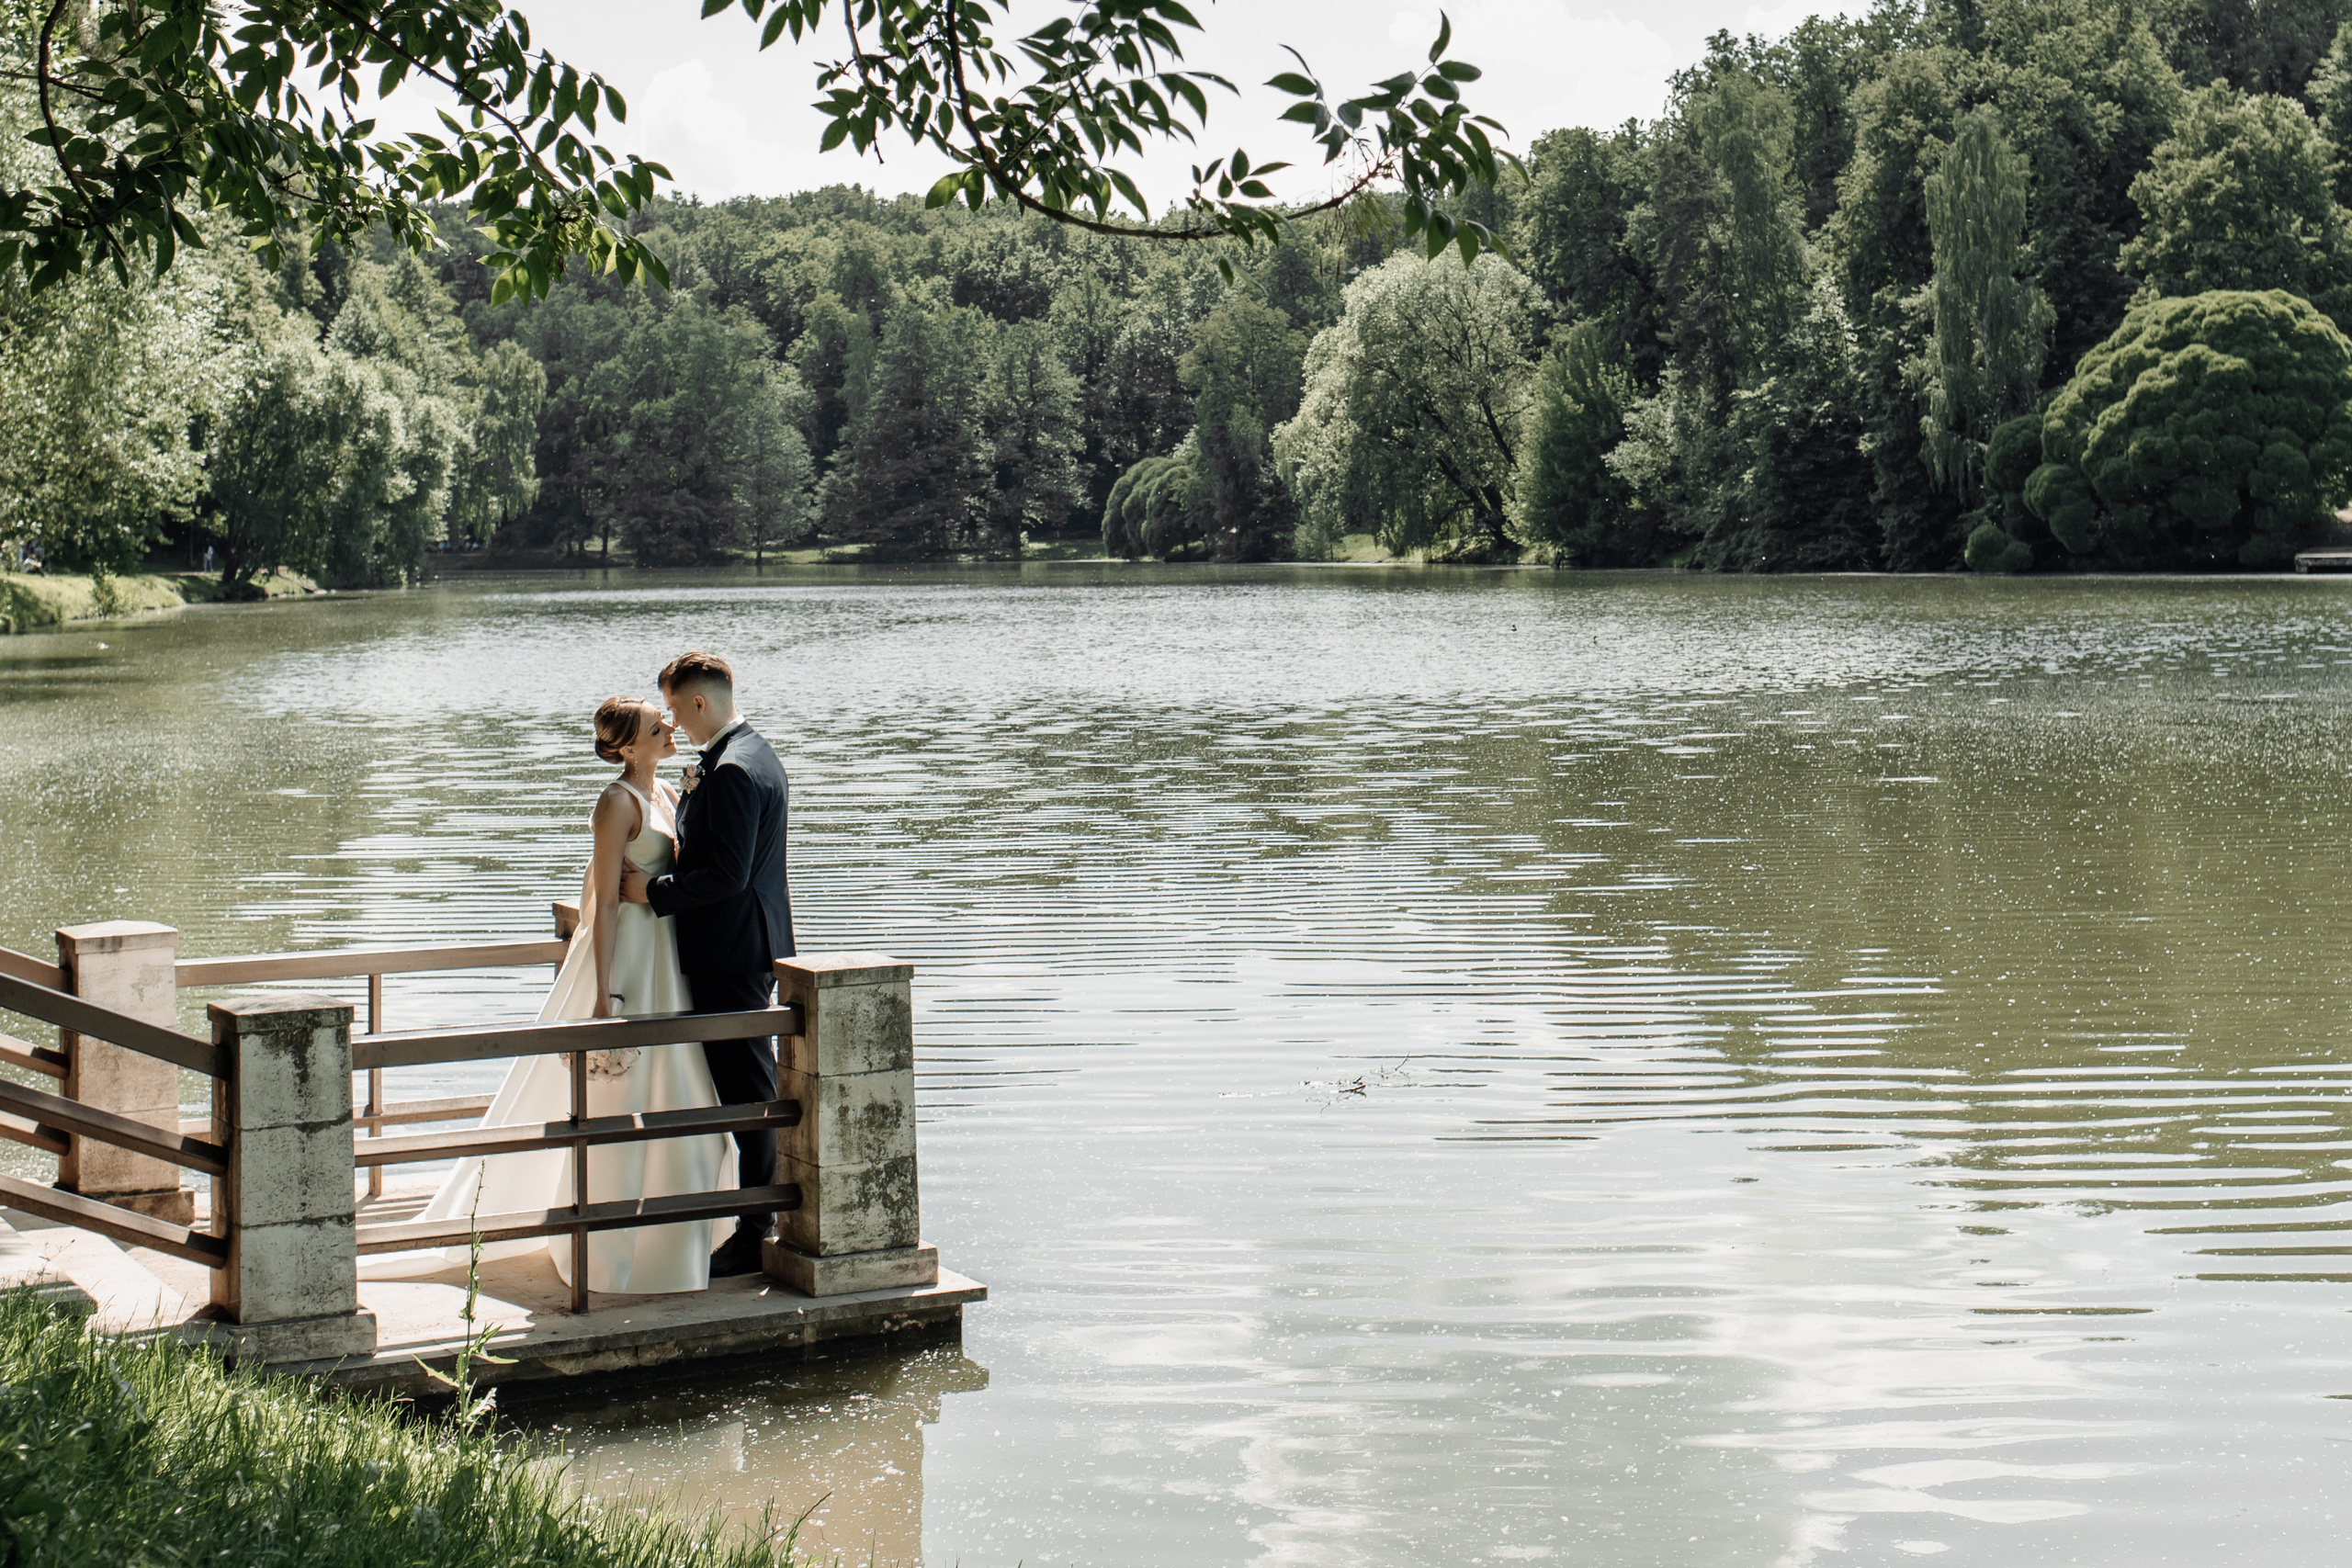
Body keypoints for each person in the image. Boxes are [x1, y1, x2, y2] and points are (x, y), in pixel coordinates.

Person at [362, 697, 727, 1294]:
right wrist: (603, 994)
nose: (669, 728)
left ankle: (671, 1248)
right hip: (630, 965)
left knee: (680, 1099)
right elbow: (603, 902)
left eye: (664, 721)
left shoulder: (665, 792)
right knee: (618, 1103)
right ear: (627, 747)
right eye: (655, 726)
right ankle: (608, 1257)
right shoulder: (617, 803)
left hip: (666, 961)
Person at [620, 649, 796, 1278]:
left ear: (699, 701)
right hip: (744, 944)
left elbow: (727, 875)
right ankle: (751, 1216)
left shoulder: (733, 771)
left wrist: (652, 892)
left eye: (674, 708)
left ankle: (756, 1229)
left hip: (731, 952)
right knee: (744, 1084)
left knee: (748, 1092)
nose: (672, 721)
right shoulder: (754, 753)